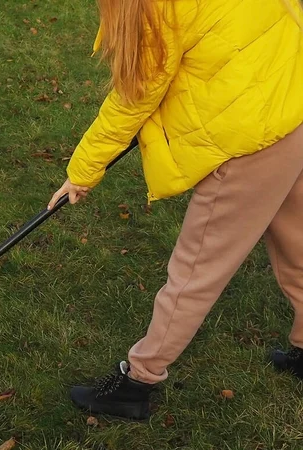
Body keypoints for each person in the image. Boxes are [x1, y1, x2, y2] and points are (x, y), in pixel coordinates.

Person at [48, 0, 303, 421]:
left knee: (196, 270)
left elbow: (134, 96)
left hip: (249, 137)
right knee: (296, 243)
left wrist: (82, 171)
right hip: (290, 101)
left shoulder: (153, 7)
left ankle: (139, 380)